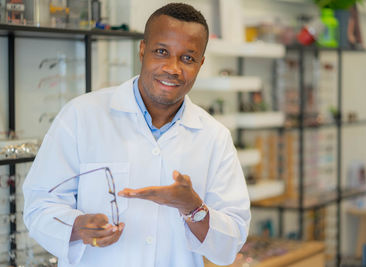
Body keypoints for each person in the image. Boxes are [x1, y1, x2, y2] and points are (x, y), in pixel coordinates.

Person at [23, 3, 250, 267]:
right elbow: (40, 205)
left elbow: (231, 242)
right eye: (161, 52)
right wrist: (77, 226)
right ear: (142, 50)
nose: (173, 68)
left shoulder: (214, 137)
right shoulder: (81, 116)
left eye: (187, 58)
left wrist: (194, 208)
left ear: (201, 64)